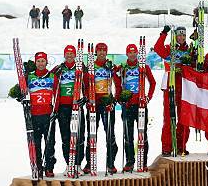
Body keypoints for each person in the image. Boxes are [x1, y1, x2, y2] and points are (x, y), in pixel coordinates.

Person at [14, 52, 57, 177]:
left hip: (48, 114)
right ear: (35, 63)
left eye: (43, 61)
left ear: (46, 62)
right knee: (36, 143)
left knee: (50, 142)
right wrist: (20, 96)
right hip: (34, 115)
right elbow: (20, 91)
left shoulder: (53, 76)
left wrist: (56, 110)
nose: (41, 63)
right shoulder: (29, 76)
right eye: (38, 61)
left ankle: (49, 167)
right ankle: (38, 166)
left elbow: (57, 95)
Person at [154, 25, 195, 155]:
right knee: (169, 116)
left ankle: (181, 145)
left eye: (183, 35)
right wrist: (164, 33)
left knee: (184, 117)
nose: (181, 37)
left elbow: (196, 64)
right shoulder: (169, 49)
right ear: (175, 36)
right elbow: (157, 48)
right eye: (179, 35)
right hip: (170, 83)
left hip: (184, 85)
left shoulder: (190, 50)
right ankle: (167, 147)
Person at [118, 43, 156, 172]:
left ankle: (143, 162)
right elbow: (116, 82)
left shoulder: (143, 67)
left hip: (141, 106)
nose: (133, 54)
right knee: (128, 136)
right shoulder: (123, 67)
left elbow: (153, 82)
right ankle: (130, 162)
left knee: (142, 135)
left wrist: (148, 98)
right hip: (127, 106)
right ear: (127, 53)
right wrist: (120, 98)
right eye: (130, 52)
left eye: (135, 52)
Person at [83, 43, 119, 174]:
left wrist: (114, 99)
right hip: (93, 104)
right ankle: (89, 163)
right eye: (99, 51)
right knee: (92, 134)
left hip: (106, 103)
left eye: (104, 51)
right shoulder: (91, 67)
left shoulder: (110, 66)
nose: (102, 53)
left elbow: (118, 84)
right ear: (96, 52)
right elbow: (85, 85)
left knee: (110, 134)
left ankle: (111, 163)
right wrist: (88, 98)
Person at [51, 45, 85, 171]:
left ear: (75, 55)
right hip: (63, 107)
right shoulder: (59, 69)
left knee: (79, 136)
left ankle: (78, 164)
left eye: (72, 54)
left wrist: (85, 97)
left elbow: (88, 83)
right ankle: (68, 164)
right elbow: (47, 78)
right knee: (65, 136)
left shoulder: (81, 68)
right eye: (67, 54)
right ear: (64, 55)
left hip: (77, 106)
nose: (69, 56)